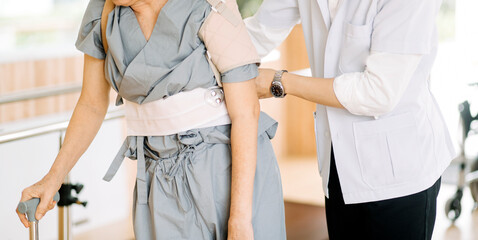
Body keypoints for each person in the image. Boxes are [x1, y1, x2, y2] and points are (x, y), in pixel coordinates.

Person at [16, 0, 286, 239]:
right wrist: (52, 179)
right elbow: (91, 104)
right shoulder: (101, 14)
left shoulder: (208, 6)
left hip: (228, 168)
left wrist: (239, 219)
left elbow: (246, 113)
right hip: (157, 176)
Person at [245, 0, 455, 239]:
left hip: (399, 171)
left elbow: (378, 92)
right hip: (339, 163)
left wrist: (282, 81)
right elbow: (259, 33)